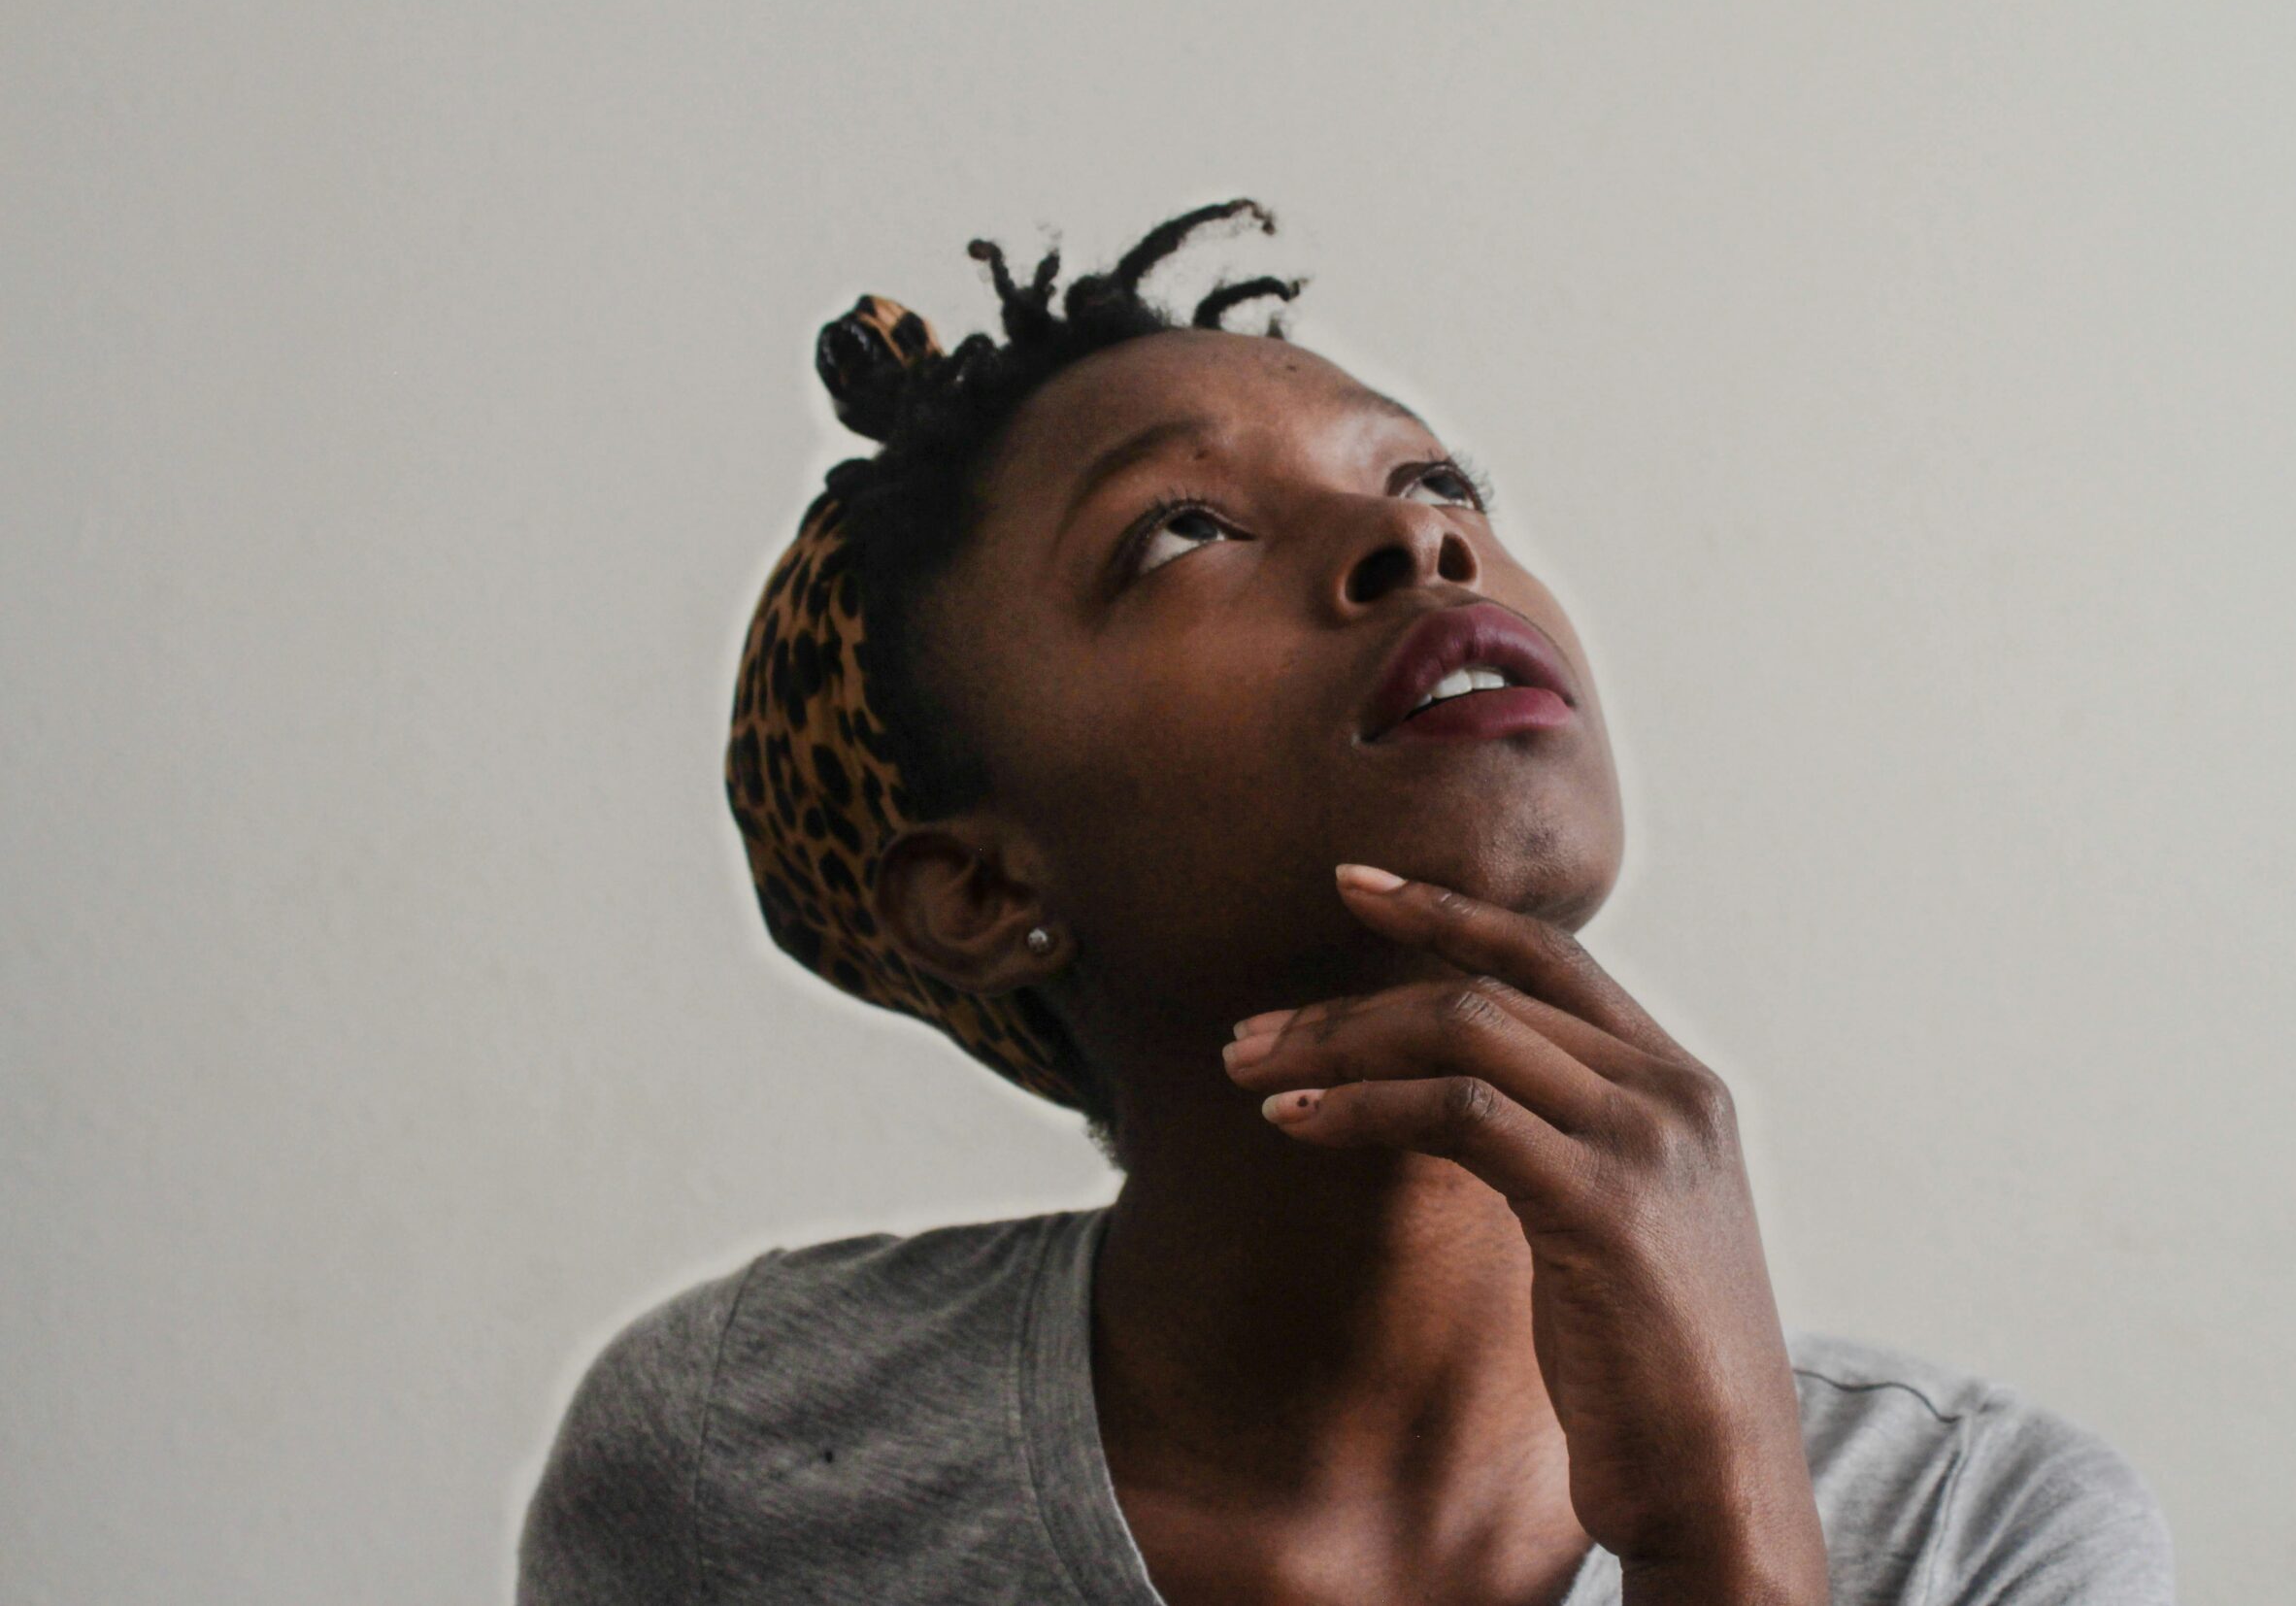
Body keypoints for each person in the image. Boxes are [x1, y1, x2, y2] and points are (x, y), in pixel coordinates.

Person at [516, 200, 2177, 1605]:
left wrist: (1722, 1528)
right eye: (1181, 529)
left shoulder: (1980, 1532)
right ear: (981, 885)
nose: (1414, 540)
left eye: (1441, 483)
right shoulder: (737, 1465)